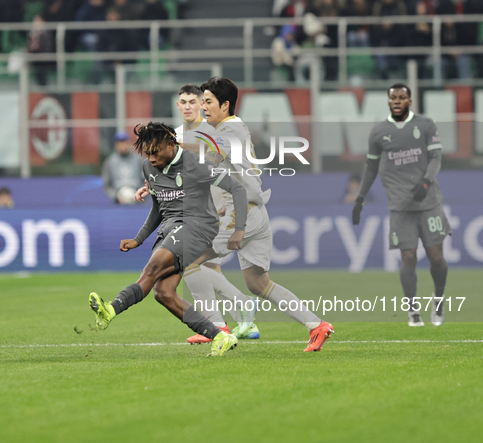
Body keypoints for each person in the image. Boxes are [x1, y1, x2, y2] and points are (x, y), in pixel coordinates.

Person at [185, 77, 334, 352]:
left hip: (240, 215)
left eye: (208, 101)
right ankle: (317, 325)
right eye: (202, 101)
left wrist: (171, 144)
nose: (202, 107)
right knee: (257, 283)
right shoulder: (223, 129)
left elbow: (208, 154)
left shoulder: (230, 128)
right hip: (255, 212)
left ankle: (216, 327)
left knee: (189, 259)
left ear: (225, 104)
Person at [88, 122, 249, 357]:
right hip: (171, 227)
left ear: (171, 145)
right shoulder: (148, 168)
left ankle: (110, 310)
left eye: (156, 152)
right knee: (163, 292)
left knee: (152, 268)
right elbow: (158, 207)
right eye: (147, 153)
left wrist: (239, 230)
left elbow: (237, 189)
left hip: (199, 225)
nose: (151, 158)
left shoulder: (197, 164)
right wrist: (139, 239)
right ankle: (221, 337)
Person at [170, 84, 261, 344]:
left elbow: (212, 163)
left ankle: (216, 326)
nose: (188, 106)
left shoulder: (212, 129)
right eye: (183, 102)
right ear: (178, 105)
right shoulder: (177, 133)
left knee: (195, 265)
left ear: (202, 105)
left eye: (193, 101)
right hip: (194, 209)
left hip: (217, 209)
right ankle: (240, 316)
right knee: (206, 267)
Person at [352, 83, 449, 327]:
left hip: (428, 203)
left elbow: (437, 157)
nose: (397, 101)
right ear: (388, 101)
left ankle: (438, 299)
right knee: (408, 258)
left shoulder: (426, 124)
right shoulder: (378, 132)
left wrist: (426, 183)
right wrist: (360, 198)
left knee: (436, 257)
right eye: (393, 97)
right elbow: (371, 167)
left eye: (402, 97)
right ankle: (413, 310)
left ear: (410, 101)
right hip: (400, 206)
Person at [102, 131, 144, 204]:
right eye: (120, 143)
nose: (122, 145)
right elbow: (107, 184)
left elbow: (146, 180)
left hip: (138, 200)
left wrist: (140, 194)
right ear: (116, 144)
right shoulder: (110, 162)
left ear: (129, 143)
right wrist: (115, 196)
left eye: (124, 142)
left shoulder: (138, 159)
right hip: (119, 201)